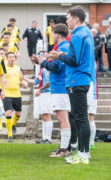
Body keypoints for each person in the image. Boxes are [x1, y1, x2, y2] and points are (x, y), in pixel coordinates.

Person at [49, 6, 95, 164]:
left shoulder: (77, 35)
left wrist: (59, 57)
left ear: (76, 19)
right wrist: (63, 55)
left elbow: (74, 61)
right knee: (81, 118)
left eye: (68, 18)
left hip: (76, 80)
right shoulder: (86, 32)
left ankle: (83, 154)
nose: (67, 21)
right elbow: (77, 57)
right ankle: (84, 153)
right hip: (81, 79)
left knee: (80, 118)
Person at [39, 24, 72, 157]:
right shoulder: (66, 47)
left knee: (62, 118)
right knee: (64, 118)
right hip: (62, 87)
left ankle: (64, 150)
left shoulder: (62, 47)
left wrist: (43, 62)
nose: (52, 36)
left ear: (57, 35)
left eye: (52, 34)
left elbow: (55, 69)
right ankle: (64, 147)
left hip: (60, 87)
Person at [23, 53, 53, 145]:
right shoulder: (41, 68)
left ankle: (48, 138)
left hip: (47, 93)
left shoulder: (46, 68)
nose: (38, 59)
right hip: (43, 93)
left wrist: (40, 90)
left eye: (39, 57)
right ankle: (45, 138)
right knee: (44, 116)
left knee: (47, 115)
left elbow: (49, 82)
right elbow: (36, 81)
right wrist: (24, 78)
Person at [3, 52, 27, 143]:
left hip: (17, 94)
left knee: (18, 114)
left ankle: (13, 125)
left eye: (13, 57)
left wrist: (24, 83)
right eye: (10, 57)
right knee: (8, 113)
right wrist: (4, 81)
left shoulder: (18, 68)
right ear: (7, 58)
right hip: (7, 94)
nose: (12, 59)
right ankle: (10, 135)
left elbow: (21, 79)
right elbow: (1, 78)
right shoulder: (4, 68)